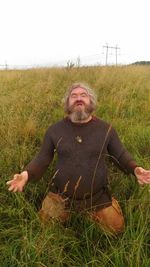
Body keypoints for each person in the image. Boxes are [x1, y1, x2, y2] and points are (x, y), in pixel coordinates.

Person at [6, 83, 150, 234]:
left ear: (91, 102)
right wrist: (25, 175)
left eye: (84, 95)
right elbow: (42, 158)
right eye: (73, 96)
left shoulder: (106, 129)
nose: (78, 98)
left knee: (116, 230)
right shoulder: (54, 130)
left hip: (97, 198)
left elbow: (120, 155)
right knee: (44, 230)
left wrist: (135, 169)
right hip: (60, 198)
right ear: (67, 103)